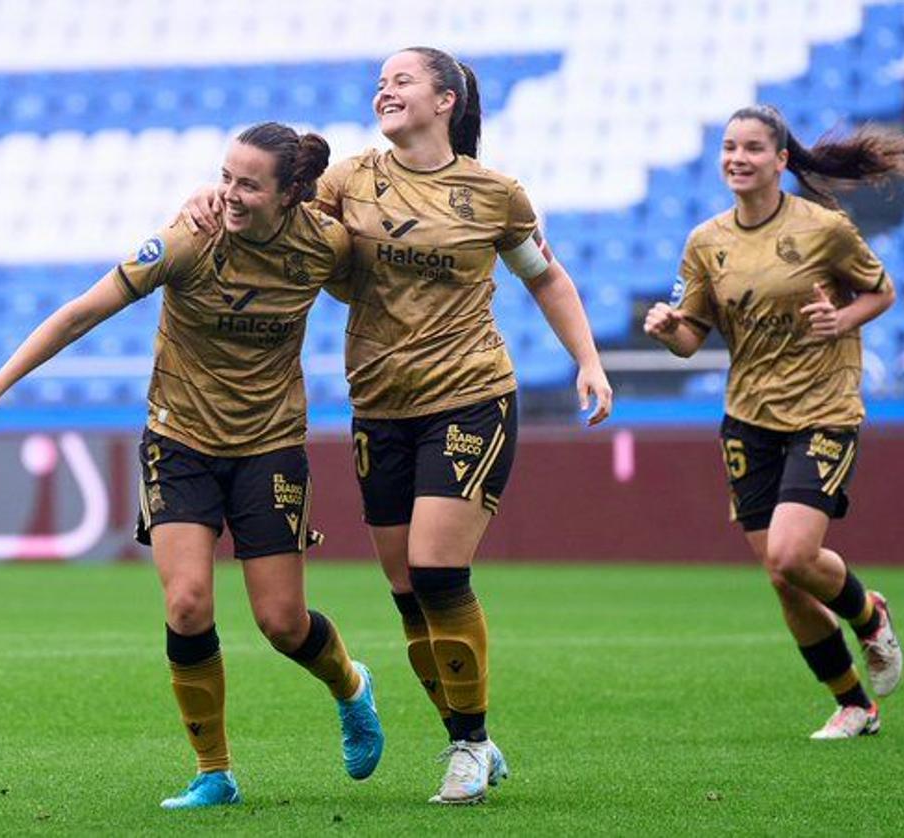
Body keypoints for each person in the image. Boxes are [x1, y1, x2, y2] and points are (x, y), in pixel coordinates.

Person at [183, 47, 613, 803]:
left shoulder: (495, 194)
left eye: (403, 79)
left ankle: (469, 746)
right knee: (407, 586)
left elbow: (544, 276)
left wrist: (588, 361)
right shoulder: (347, 180)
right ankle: (471, 733)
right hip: (379, 405)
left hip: (470, 394)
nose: (385, 88)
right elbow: (274, 227)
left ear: (446, 100)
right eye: (381, 80)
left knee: (439, 569)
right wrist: (207, 203)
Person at [0, 122, 384, 809]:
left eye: (248, 184)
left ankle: (350, 686)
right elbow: (85, 311)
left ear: (291, 193)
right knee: (186, 602)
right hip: (179, 441)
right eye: (225, 178)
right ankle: (214, 772)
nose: (230, 194)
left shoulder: (323, 245)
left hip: (270, 445)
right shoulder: (186, 241)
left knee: (282, 624)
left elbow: (382, 289)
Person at [643, 105, 904, 739]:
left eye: (753, 148)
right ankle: (853, 703)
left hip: (823, 408)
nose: (738, 158)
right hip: (748, 420)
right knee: (783, 579)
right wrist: (668, 330)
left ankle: (868, 613)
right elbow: (691, 340)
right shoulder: (706, 242)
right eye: (730, 147)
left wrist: (841, 321)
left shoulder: (825, 229)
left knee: (793, 553)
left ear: (781, 160)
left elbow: (882, 291)